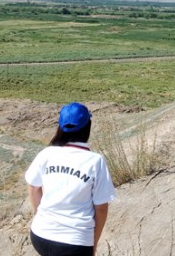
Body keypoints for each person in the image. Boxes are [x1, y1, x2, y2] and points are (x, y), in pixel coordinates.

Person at [25, 102, 117, 256]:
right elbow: (101, 208)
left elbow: (33, 187)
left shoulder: (46, 154)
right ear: (88, 126)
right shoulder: (95, 161)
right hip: (74, 244)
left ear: (60, 127)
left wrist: (40, 216)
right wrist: (93, 244)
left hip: (40, 236)